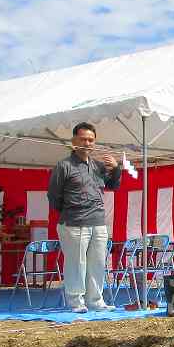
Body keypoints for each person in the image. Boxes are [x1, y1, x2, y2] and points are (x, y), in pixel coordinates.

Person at [47, 121, 121, 312]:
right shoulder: (64, 166)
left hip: (98, 222)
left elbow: (113, 186)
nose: (87, 143)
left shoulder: (97, 166)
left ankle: (96, 301)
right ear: (74, 141)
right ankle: (76, 302)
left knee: (97, 263)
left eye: (91, 140)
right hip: (73, 222)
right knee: (76, 263)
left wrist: (116, 169)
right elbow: (53, 196)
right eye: (83, 139)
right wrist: (70, 212)